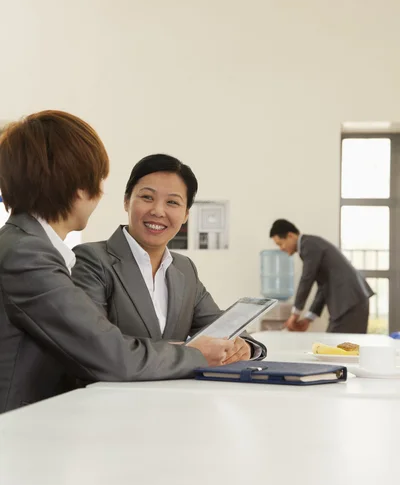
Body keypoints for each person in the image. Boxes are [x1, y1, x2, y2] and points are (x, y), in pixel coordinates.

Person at [0, 111, 235, 414]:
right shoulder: (29, 253)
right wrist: (197, 355)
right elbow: (109, 352)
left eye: (173, 202)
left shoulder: (26, 245)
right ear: (78, 186)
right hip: (17, 430)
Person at [72, 154, 266, 359]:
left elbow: (220, 325)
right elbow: (95, 344)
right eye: (147, 197)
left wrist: (246, 347)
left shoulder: (184, 268)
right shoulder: (92, 260)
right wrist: (190, 352)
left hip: (172, 390)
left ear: (185, 215)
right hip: (107, 390)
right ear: (127, 201)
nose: (157, 211)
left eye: (172, 202)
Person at [269, 219, 374, 333]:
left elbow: (306, 279)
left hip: (350, 301)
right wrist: (308, 319)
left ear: (290, 235)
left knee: (338, 347)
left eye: (280, 243)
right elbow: (324, 286)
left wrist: (295, 314)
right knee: (336, 346)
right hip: (351, 301)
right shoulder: (311, 244)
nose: (281, 248)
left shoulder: (308, 245)